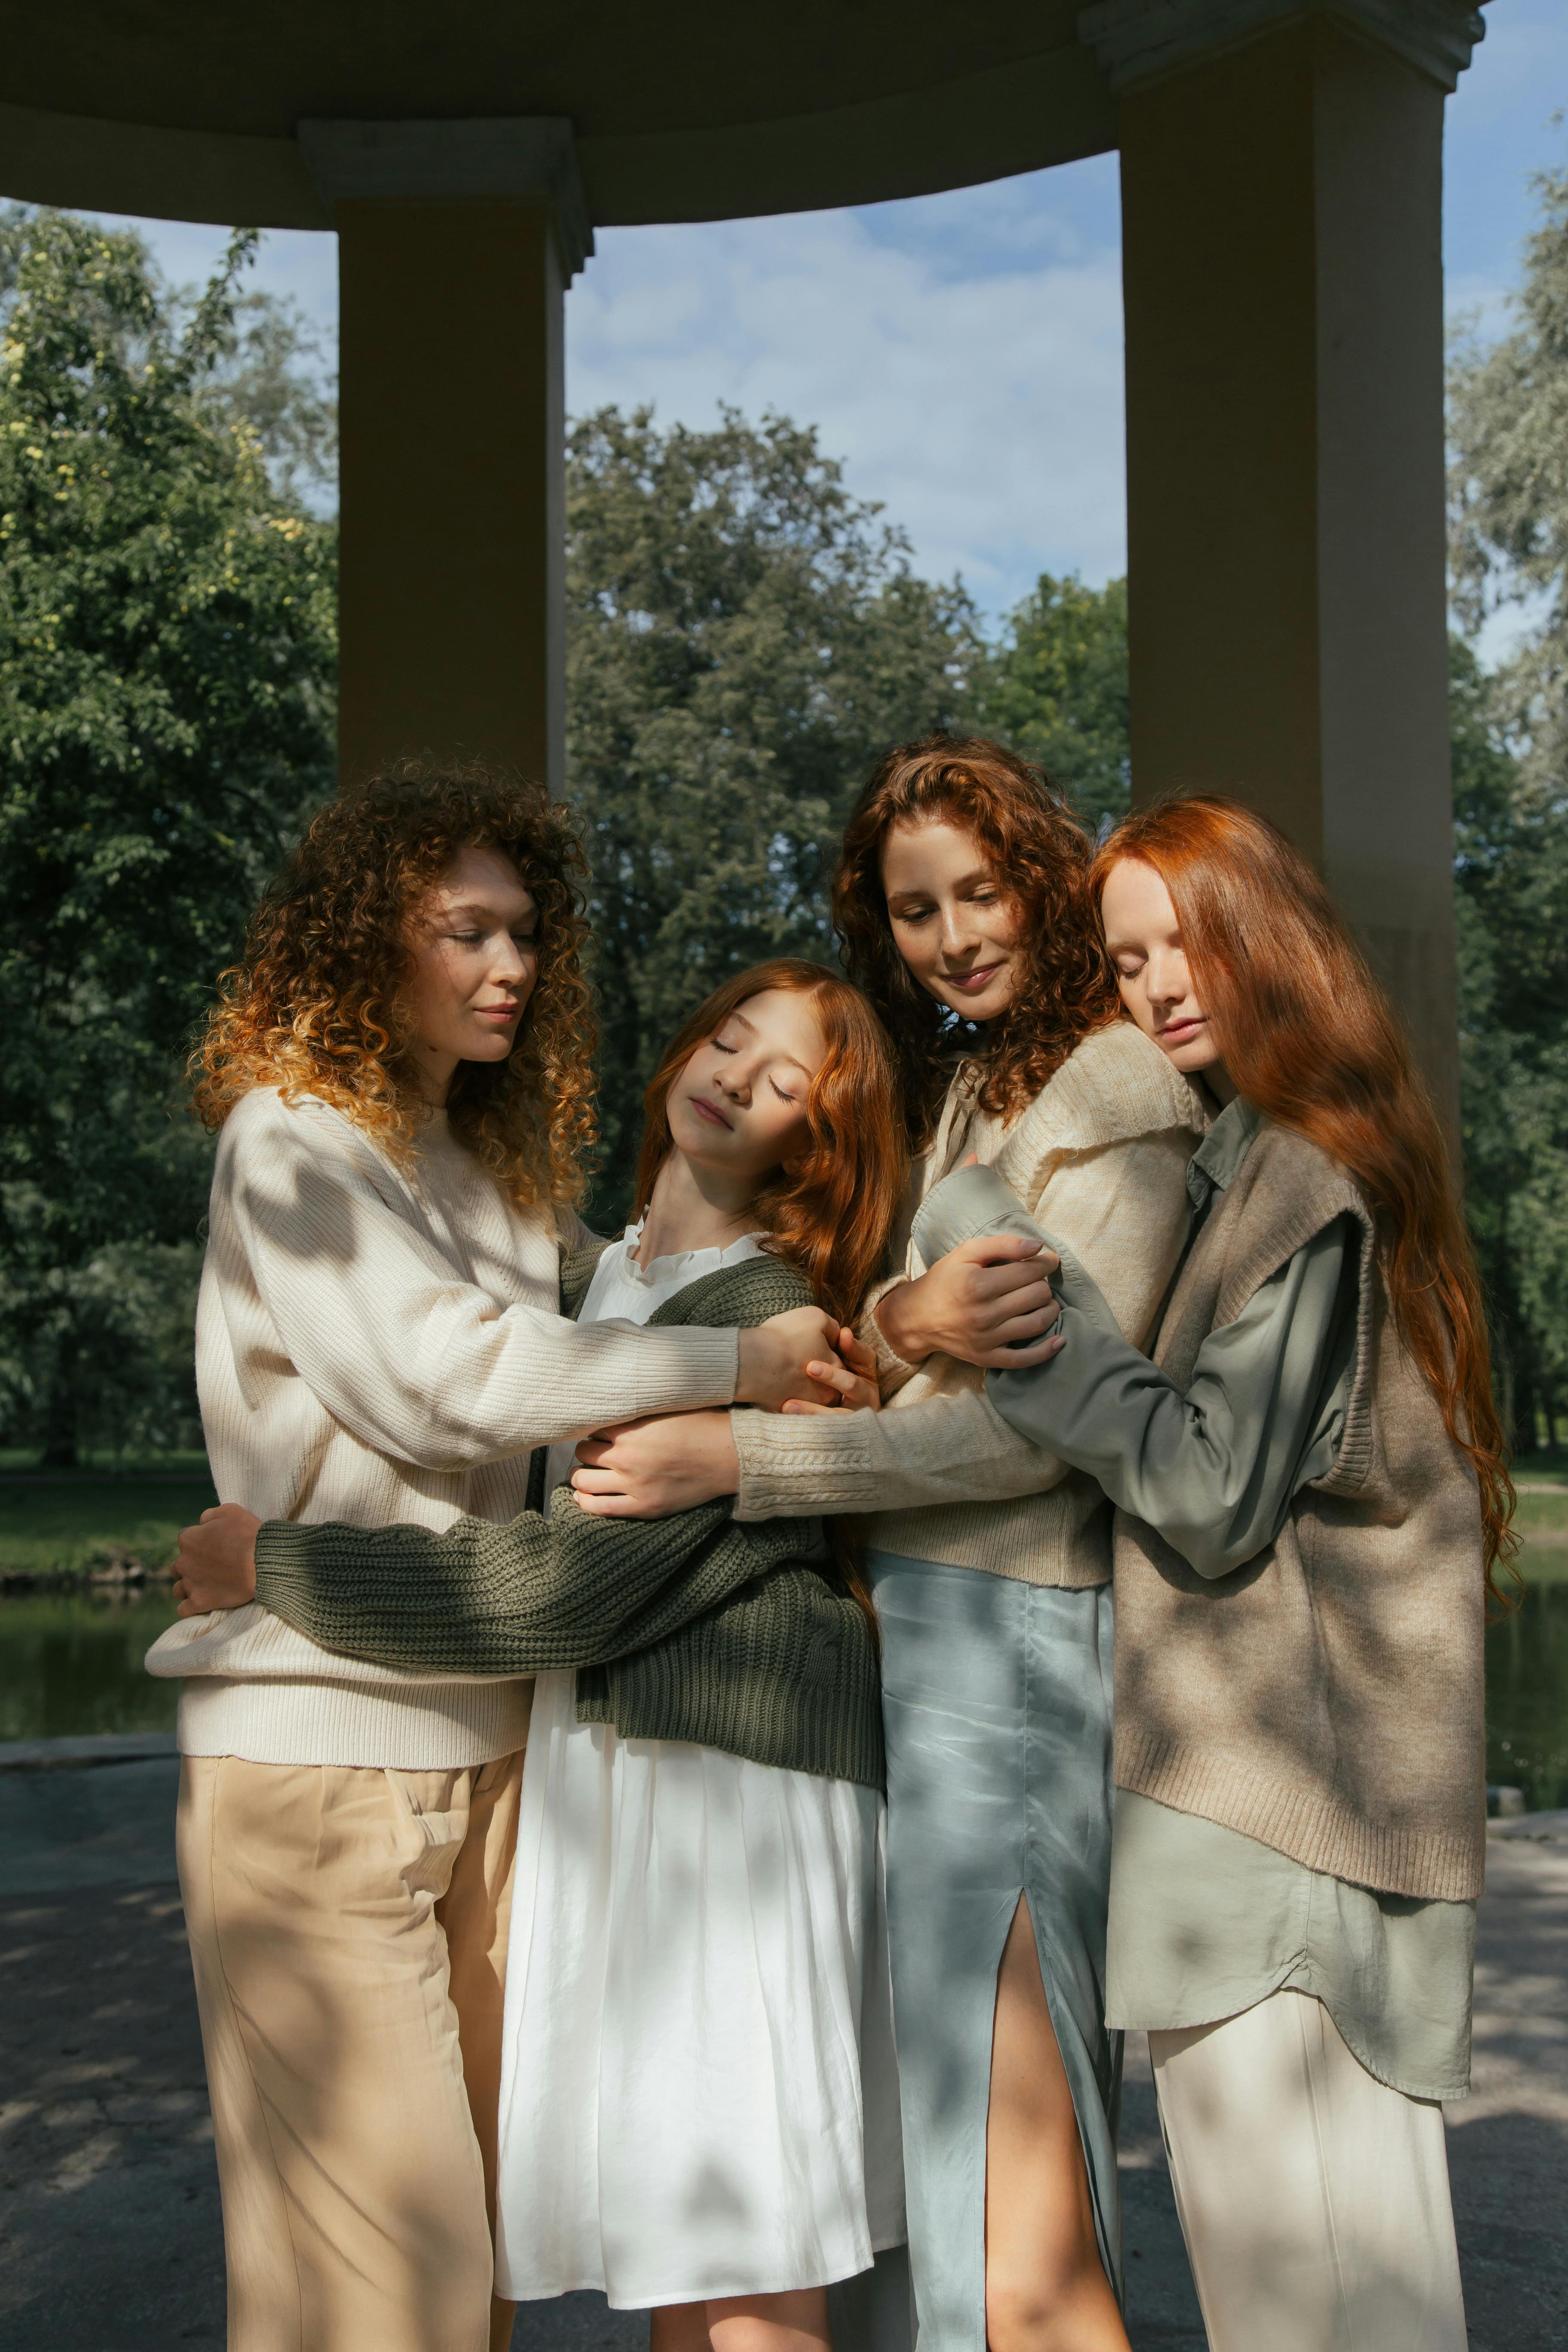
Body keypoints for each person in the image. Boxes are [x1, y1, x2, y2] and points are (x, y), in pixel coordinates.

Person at [150, 774, 854, 2352]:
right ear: (362, 944)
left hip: (494, 1752)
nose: (512, 963)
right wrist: (738, 1379)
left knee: (468, 2289)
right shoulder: (292, 1143)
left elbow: (609, 1329)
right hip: (316, 1747)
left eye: (526, 931)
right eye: (465, 929)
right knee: (378, 2291)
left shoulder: (482, 1173)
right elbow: (458, 1379)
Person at [567, 739, 1212, 2352]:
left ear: (1040, 879)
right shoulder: (977, 1093)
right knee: (970, 2200)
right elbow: (906, 1351)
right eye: (914, 911)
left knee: (1022, 2234)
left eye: (980, 892)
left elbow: (1022, 1430)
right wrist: (904, 1308)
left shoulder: (1116, 1108)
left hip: (1009, 1659)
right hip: (917, 1649)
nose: (954, 937)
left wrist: (744, 1457)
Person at [913, 796, 1508, 2352]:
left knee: (1316, 2298)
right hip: (1279, 1802)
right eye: (1124, 960)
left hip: (1275, 1810)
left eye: (1186, 936)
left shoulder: (1303, 1181)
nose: (1159, 982)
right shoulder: (1278, 1164)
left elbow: (1202, 1481)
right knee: (1314, 2290)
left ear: (1270, 934)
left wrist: (995, 1249)